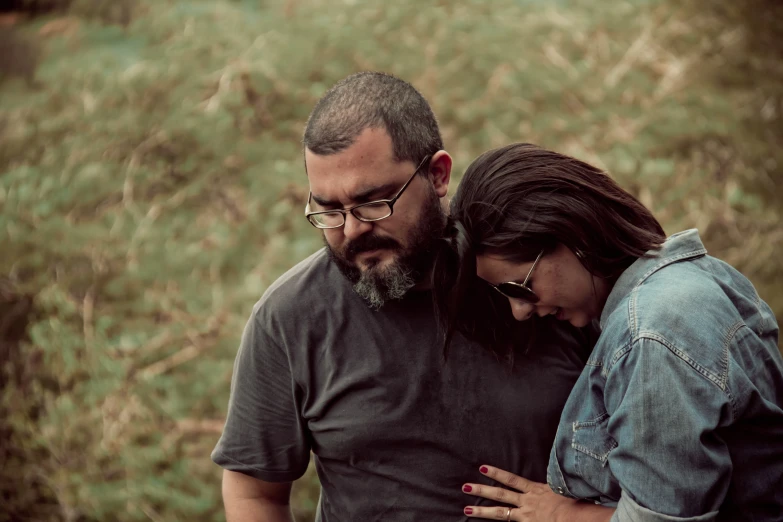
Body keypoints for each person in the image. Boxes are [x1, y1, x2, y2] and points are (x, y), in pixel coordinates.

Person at [211, 74, 595, 521]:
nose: (352, 229)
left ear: (437, 175)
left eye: (373, 202)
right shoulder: (288, 318)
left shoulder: (538, 283)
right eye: (329, 210)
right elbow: (254, 491)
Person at [434, 143, 783, 521]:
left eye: (520, 286)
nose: (519, 311)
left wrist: (563, 515)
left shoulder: (652, 330)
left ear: (571, 235)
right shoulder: (690, 282)